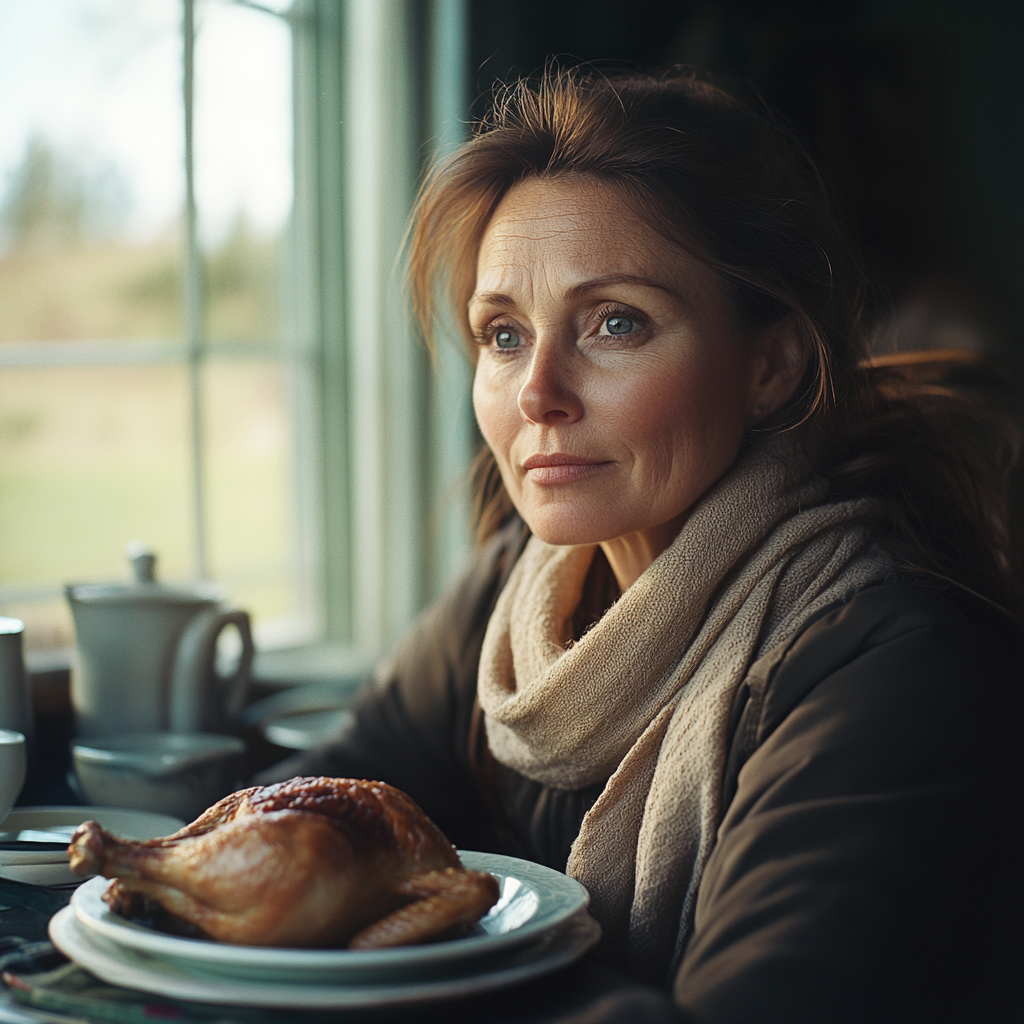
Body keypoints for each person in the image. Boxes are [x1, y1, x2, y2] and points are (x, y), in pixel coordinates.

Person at [258, 67, 1022, 1022]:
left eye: (615, 323)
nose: (538, 391)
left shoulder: (888, 665)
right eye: (502, 334)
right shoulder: (524, 584)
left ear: (771, 365)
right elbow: (319, 803)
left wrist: (432, 954)